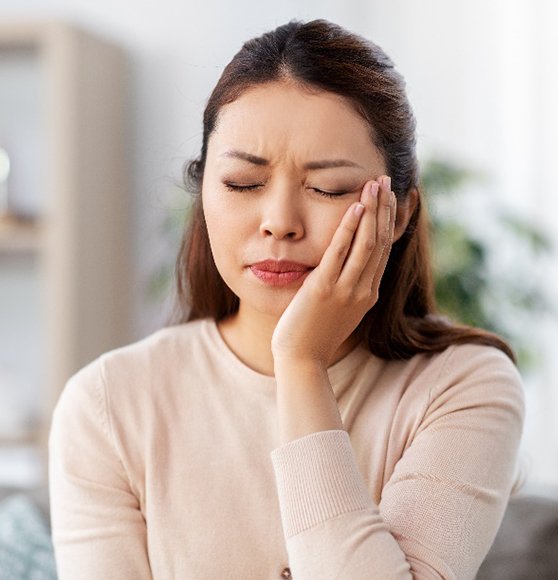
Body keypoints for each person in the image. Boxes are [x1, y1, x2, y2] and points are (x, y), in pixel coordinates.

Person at [49, 18, 525, 579]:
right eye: (243, 184)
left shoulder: (463, 385)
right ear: (202, 193)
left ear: (398, 215)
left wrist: (300, 362)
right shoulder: (108, 405)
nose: (279, 223)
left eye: (327, 189)